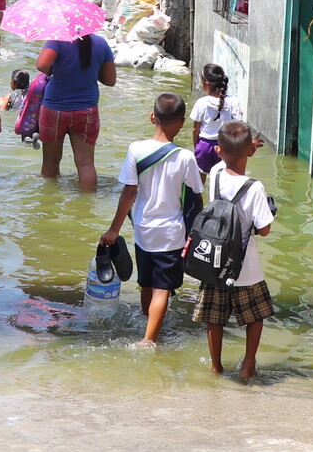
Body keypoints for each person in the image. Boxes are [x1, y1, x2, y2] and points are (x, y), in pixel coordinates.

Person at [100, 93, 205, 346]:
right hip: (171, 233)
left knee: (145, 282)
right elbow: (196, 199)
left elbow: (129, 192)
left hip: (143, 230)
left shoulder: (136, 149)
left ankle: (147, 322)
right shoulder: (186, 157)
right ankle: (148, 340)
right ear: (181, 123)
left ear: (152, 117)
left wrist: (113, 230)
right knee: (162, 289)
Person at [196, 121, 276, 380]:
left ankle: (216, 366)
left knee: (215, 318)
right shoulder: (255, 188)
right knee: (256, 316)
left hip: (216, 261)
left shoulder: (216, 173)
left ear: (218, 150)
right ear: (250, 152)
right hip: (246, 266)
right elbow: (264, 230)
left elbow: (228, 158)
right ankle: (248, 364)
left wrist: (242, 147)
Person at [36, 32, 117, 191]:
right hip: (86, 109)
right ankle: (86, 210)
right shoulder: (101, 43)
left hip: (55, 107)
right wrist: (92, 70)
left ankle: (48, 208)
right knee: (86, 164)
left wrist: (56, 68)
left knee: (50, 162)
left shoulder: (57, 39)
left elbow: (41, 65)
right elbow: (110, 80)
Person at [190, 64, 244, 173]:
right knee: (224, 179)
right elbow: (239, 128)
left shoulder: (201, 103)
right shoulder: (234, 101)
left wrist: (196, 147)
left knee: (200, 181)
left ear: (207, 84)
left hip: (204, 147)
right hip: (226, 147)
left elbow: (195, 130)